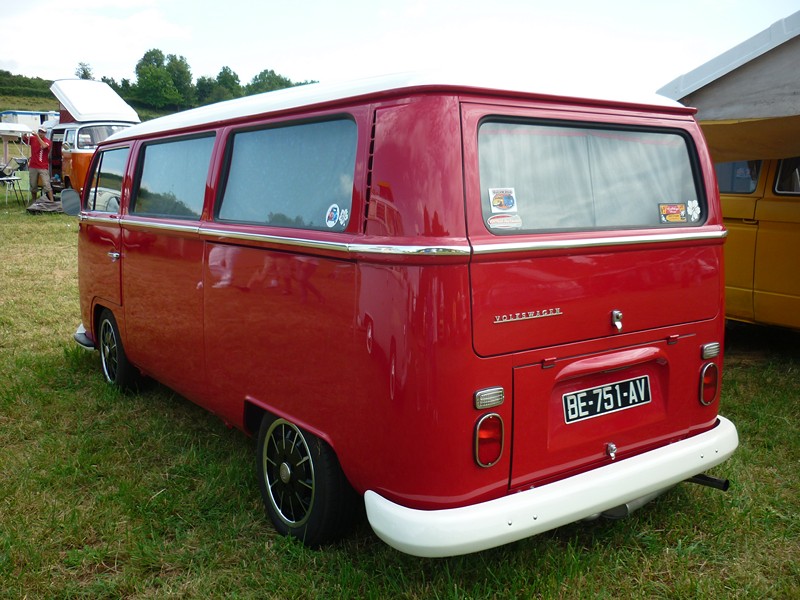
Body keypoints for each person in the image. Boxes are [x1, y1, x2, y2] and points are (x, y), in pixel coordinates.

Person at [28, 126, 54, 203]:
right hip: (33, 165)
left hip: (43, 166)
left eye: (43, 132)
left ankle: (52, 201)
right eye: (40, 131)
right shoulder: (33, 139)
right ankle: (34, 201)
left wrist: (37, 136)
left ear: (45, 133)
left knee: (46, 184)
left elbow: (44, 146)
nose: (41, 133)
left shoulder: (48, 141)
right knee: (33, 185)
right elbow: (24, 139)